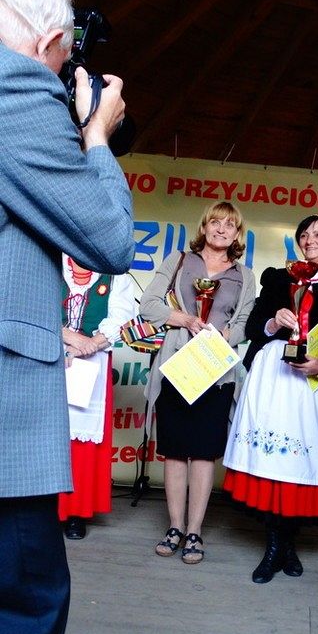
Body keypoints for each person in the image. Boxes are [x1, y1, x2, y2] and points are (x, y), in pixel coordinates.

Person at [0, 0, 133, 634]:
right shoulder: (18, 90)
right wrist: (96, 133)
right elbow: (108, 238)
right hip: (4, 414)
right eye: (62, 60)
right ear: (50, 41)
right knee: (29, 604)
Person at [223, 213, 318, 584]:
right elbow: (254, 327)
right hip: (273, 376)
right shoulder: (277, 278)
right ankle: (275, 547)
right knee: (273, 462)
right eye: (305, 234)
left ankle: (287, 544)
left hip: (313, 380)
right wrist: (273, 322)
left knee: (300, 464)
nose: (310, 240)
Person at [140, 201, 255, 564]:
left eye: (230, 225)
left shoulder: (244, 275)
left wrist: (225, 335)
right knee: (175, 450)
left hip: (215, 370)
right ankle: (174, 527)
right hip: (177, 365)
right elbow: (148, 305)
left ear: (237, 235)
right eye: (215, 222)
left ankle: (194, 532)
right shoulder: (178, 261)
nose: (222, 229)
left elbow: (247, 321)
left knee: (204, 453)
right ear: (204, 227)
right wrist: (186, 320)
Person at [60, 256, 135, 540]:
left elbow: (122, 318)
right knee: (44, 436)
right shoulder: (50, 263)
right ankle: (42, 510)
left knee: (82, 444)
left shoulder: (115, 275)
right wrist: (70, 338)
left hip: (92, 362)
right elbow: (33, 308)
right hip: (48, 355)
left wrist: (90, 344)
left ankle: (75, 512)